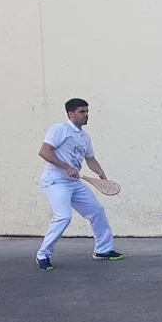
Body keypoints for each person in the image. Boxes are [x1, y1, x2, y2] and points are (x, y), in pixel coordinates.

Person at [35, 98, 123, 269]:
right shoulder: (59, 129)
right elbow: (44, 151)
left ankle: (103, 250)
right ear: (71, 114)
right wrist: (66, 167)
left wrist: (101, 173)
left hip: (74, 183)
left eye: (87, 111)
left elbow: (90, 159)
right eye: (82, 112)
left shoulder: (85, 137)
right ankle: (43, 255)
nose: (86, 115)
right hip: (55, 181)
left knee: (96, 211)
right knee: (63, 216)